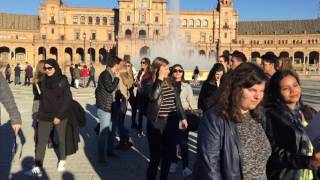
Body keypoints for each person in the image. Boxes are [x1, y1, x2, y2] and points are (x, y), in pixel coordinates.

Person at [193, 63, 271, 180]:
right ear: (237, 88)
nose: (258, 96)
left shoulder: (258, 116)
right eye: (252, 90)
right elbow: (210, 171)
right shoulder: (214, 120)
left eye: (261, 91)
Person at [265, 70, 320, 180]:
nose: (293, 91)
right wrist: (307, 161)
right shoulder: (271, 116)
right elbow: (274, 152)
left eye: (295, 85)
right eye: (285, 88)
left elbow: (318, 142)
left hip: (311, 175)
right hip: (285, 175)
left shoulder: (309, 112)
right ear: (277, 92)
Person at [26, 59, 72, 177]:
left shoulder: (63, 80)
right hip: (45, 115)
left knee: (61, 139)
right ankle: (38, 165)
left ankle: (62, 159)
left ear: (55, 68)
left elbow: (67, 100)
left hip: (59, 115)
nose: (47, 70)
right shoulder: (43, 80)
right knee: (41, 141)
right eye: (45, 68)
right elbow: (39, 97)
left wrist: (59, 116)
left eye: (49, 68)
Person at [144, 57, 188, 180]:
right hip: (156, 123)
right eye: (166, 68)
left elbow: (177, 101)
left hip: (171, 122)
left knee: (168, 156)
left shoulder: (170, 81)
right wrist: (159, 78)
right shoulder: (148, 83)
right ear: (158, 69)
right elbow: (153, 96)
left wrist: (183, 117)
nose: (169, 70)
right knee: (155, 158)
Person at [169, 64, 197, 177]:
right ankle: (173, 162)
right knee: (172, 141)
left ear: (183, 72)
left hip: (183, 116)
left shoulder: (187, 86)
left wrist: (195, 113)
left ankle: (185, 166)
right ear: (172, 72)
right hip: (171, 116)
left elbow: (191, 101)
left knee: (183, 142)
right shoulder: (168, 85)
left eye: (180, 70)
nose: (177, 72)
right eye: (175, 70)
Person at [95, 55, 121, 163]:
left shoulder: (111, 74)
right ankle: (101, 157)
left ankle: (110, 151)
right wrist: (117, 78)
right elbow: (110, 88)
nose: (119, 66)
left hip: (112, 107)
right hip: (105, 108)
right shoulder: (105, 74)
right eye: (119, 64)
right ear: (115, 64)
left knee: (111, 131)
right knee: (104, 133)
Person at [115, 60, 134, 150]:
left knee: (119, 122)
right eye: (126, 65)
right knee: (119, 122)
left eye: (129, 65)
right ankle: (125, 140)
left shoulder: (123, 73)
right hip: (122, 99)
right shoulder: (124, 73)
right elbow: (129, 85)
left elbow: (128, 84)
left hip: (122, 100)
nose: (128, 67)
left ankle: (126, 139)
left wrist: (127, 72)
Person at [135, 57, 152, 137]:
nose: (142, 64)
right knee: (140, 113)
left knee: (147, 113)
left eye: (143, 62)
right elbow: (137, 81)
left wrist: (141, 85)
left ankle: (150, 130)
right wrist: (136, 83)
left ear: (147, 64)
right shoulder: (140, 72)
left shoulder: (150, 73)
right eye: (141, 62)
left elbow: (149, 84)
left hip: (145, 96)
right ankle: (140, 130)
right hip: (139, 95)